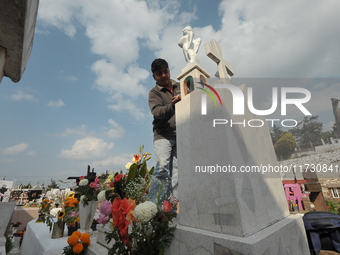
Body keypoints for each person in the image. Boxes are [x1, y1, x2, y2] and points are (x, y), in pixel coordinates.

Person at [148, 58, 181, 210]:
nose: (163, 75)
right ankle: (152, 211)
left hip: (181, 134)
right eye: (159, 73)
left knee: (177, 174)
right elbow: (157, 112)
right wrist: (173, 105)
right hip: (163, 136)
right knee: (162, 170)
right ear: (154, 76)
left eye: (165, 71)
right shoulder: (154, 93)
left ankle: (174, 210)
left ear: (169, 70)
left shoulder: (180, 85)